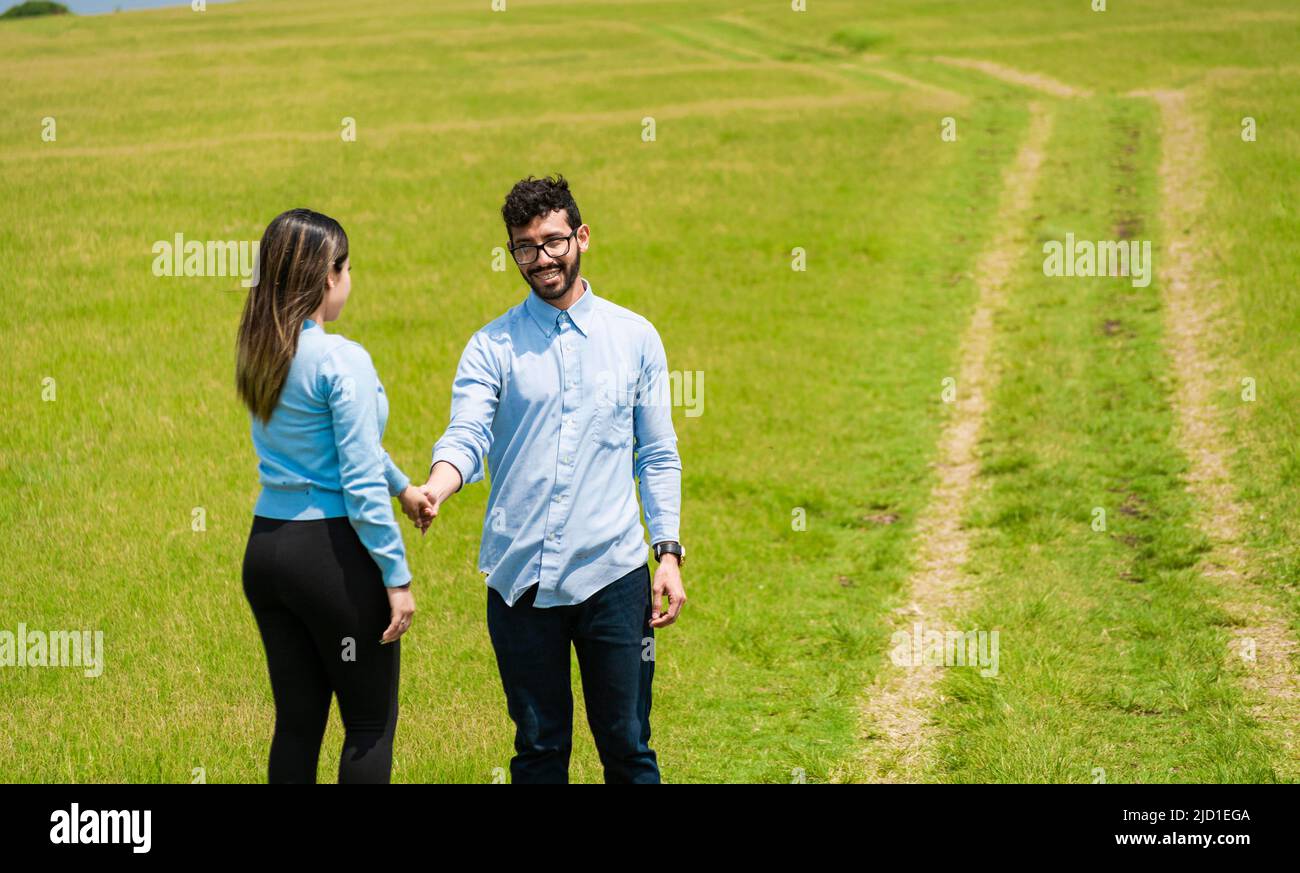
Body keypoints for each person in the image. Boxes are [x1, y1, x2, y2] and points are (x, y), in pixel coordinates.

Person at [413, 176, 687, 783]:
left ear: (581, 237)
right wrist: (439, 484)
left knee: (628, 746)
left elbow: (657, 453)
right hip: (520, 581)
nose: (542, 259)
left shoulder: (634, 337)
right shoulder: (492, 346)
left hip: (612, 575)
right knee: (538, 752)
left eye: (553, 241)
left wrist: (667, 553)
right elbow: (468, 434)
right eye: (524, 247)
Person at [235, 208, 430, 783]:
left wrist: (404, 489)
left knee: (296, 724)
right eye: (347, 269)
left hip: (268, 551)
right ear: (329, 276)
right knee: (368, 725)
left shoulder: (263, 350)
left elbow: (353, 449)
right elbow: (357, 479)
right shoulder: (342, 358)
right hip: (329, 557)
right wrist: (396, 577)